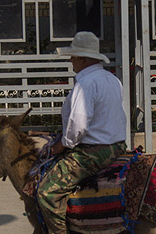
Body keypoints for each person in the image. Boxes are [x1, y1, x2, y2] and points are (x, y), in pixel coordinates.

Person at [36, 31, 128, 233]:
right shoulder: (112, 79)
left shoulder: (85, 84)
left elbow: (78, 126)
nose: (71, 60)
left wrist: (59, 146)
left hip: (93, 152)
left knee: (46, 192)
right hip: (118, 146)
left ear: (84, 58)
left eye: (74, 56)